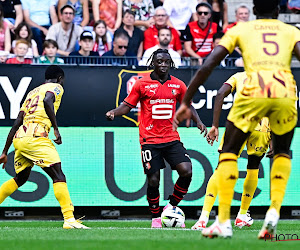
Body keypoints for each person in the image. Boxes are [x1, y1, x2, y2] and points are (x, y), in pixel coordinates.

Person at [174, 0, 300, 239]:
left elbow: (208, 64)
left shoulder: (241, 30)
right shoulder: (291, 31)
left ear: (253, 10)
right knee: (281, 153)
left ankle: (222, 220)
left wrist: (186, 101)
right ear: (278, 11)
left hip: (253, 94)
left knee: (229, 154)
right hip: (285, 94)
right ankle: (273, 211)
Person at [105, 48, 207, 228]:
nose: (163, 65)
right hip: (149, 140)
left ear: (171, 64)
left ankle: (171, 207)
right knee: (153, 180)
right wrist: (114, 112)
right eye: (159, 61)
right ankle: (156, 218)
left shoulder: (178, 85)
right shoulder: (141, 84)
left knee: (187, 170)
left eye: (166, 62)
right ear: (153, 63)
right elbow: (127, 106)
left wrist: (199, 122)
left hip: (171, 137)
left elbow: (188, 106)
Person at [0, 65, 89, 229]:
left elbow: (16, 122)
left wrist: (5, 151)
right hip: (36, 136)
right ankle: (69, 219)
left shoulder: (31, 93)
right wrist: (55, 128)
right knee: (58, 175)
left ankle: (70, 219)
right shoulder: (56, 87)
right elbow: (48, 99)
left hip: (20, 138)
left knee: (20, 179)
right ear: (60, 78)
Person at [191, 71, 271, 231]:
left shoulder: (240, 76)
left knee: (221, 168)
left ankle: (203, 217)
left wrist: (214, 125)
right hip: (262, 126)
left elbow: (220, 93)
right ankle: (241, 216)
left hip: (238, 123)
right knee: (253, 167)